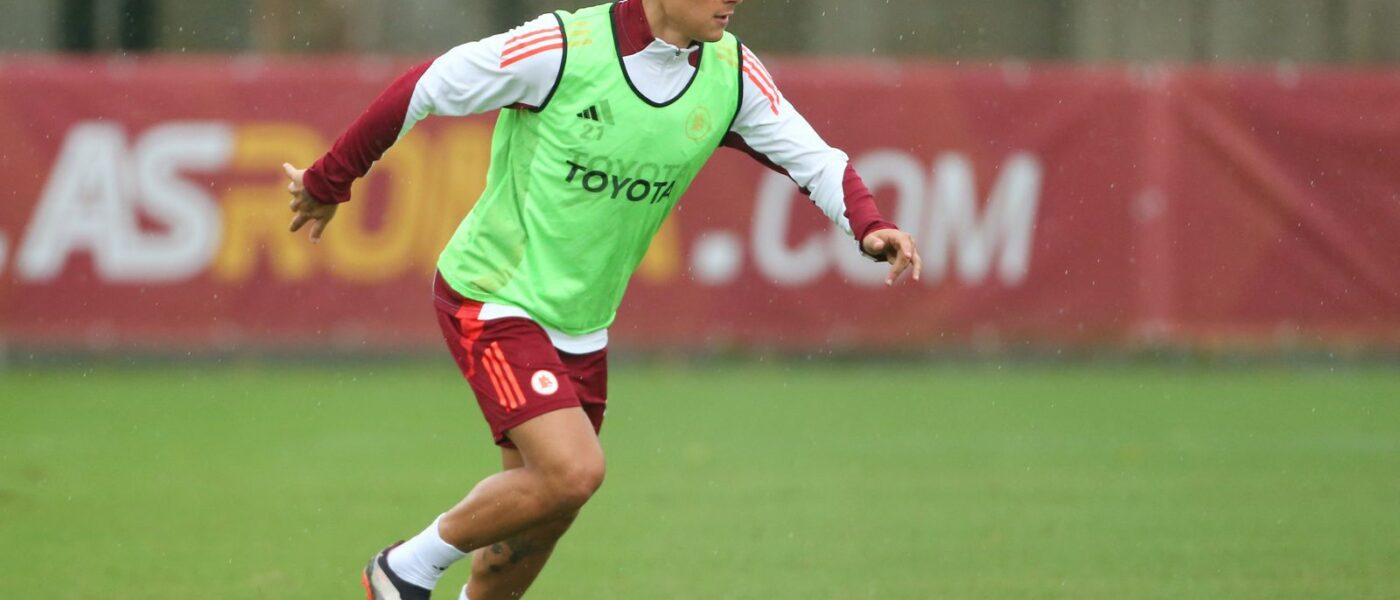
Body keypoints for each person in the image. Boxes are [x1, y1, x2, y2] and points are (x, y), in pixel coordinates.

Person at [282, 0, 921, 597]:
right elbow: (425, 86)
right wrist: (330, 179)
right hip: (493, 296)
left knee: (542, 515)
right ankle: (402, 571)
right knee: (573, 472)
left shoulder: (730, 74)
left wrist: (869, 224)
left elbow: (813, 158)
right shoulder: (562, 48)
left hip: (582, 326)